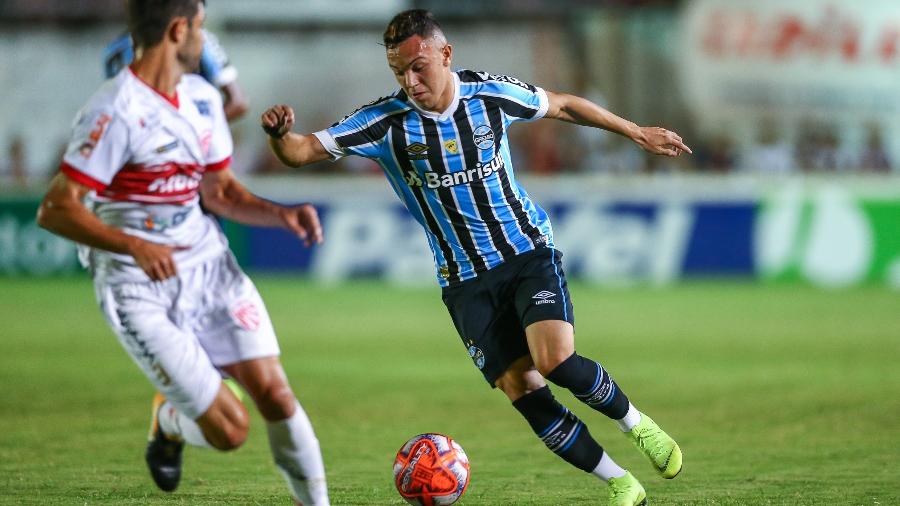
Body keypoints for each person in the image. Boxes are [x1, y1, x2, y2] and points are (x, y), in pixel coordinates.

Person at [261, 9, 688, 506]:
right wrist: (278, 135)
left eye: (418, 67)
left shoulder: (489, 94)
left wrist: (635, 132)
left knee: (554, 360)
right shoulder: (384, 123)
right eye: (399, 72)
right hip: (464, 281)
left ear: (445, 55)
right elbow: (301, 151)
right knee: (521, 387)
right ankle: (619, 482)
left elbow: (564, 105)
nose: (411, 81)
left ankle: (637, 425)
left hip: (525, 250)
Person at [37, 1, 328, 504]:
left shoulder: (200, 98)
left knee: (276, 395)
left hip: (206, 264)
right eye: (200, 27)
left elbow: (221, 193)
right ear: (178, 30)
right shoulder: (114, 110)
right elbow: (56, 209)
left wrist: (282, 213)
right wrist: (133, 243)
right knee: (230, 431)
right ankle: (171, 419)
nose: (204, 38)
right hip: (136, 284)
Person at [104, 24, 248, 121]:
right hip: (141, 148)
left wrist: (198, 131)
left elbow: (238, 103)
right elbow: (118, 109)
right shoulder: (116, 50)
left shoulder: (200, 39)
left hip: (194, 154)